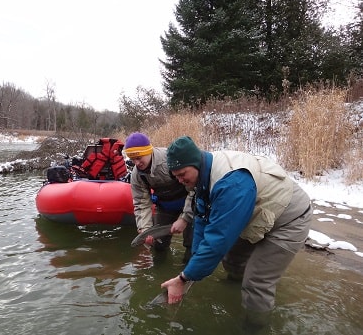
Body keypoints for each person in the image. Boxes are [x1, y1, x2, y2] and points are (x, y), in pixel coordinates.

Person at [160, 136, 312, 327]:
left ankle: (255, 327)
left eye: (183, 174)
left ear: (195, 163)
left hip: (289, 219)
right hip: (255, 213)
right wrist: (195, 263)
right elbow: (201, 218)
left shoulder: (231, 183)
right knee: (233, 260)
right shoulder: (202, 176)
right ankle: (234, 291)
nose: (180, 180)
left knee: (257, 282)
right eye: (176, 177)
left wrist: (183, 278)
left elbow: (218, 241)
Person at [123, 132, 194, 263]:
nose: (136, 163)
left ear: (148, 151)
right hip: (165, 207)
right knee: (158, 245)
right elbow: (141, 203)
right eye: (132, 159)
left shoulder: (169, 159)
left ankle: (187, 273)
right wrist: (145, 230)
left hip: (189, 203)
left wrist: (185, 218)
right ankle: (159, 273)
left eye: (139, 157)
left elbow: (193, 188)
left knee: (191, 243)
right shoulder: (136, 175)